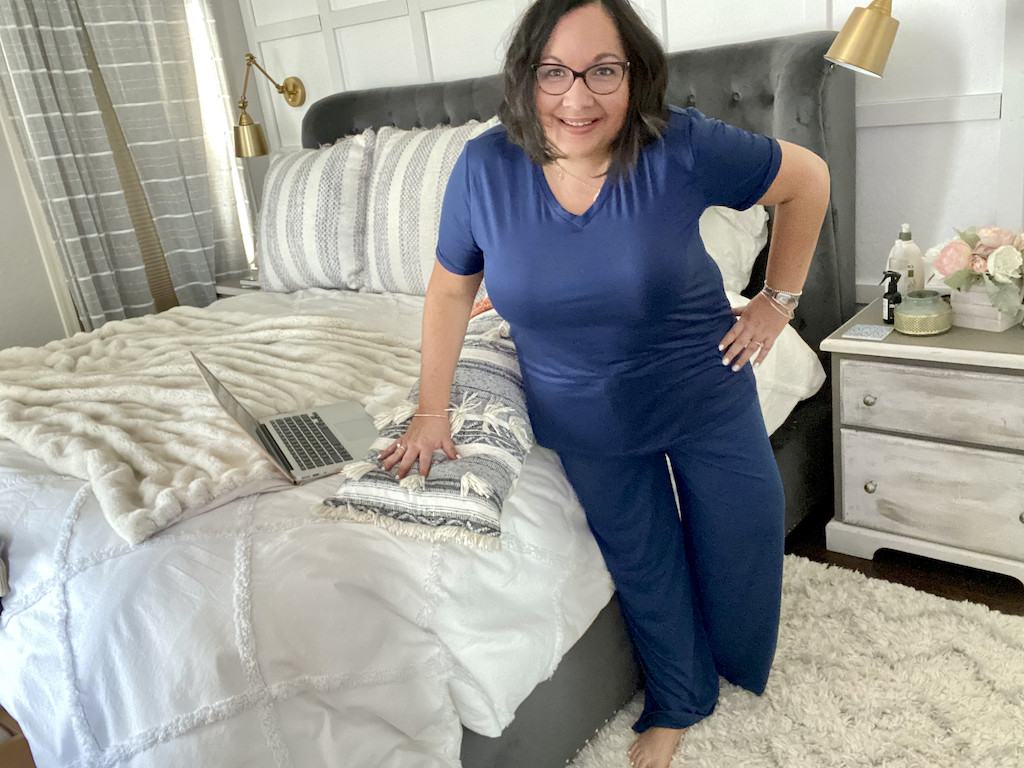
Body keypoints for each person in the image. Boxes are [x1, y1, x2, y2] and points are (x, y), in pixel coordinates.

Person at [380, 0, 830, 765]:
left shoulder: (681, 144)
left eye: (603, 71)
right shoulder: (485, 168)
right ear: (526, 77)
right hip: (582, 407)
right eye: (554, 72)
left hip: (701, 381)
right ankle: (681, 698)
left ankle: (734, 666)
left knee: (744, 535)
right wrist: (431, 410)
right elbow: (452, 288)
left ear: (635, 75)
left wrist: (776, 302)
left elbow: (808, 179)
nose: (577, 97)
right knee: (644, 558)